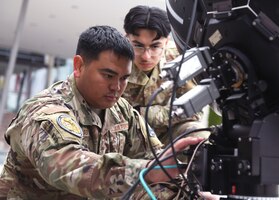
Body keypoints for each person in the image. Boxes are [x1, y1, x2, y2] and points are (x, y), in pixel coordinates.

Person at [0, 25, 204, 199]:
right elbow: (71, 168)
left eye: (124, 78)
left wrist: (193, 192)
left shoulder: (120, 110)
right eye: (108, 75)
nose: (117, 87)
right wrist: (148, 170)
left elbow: (155, 157)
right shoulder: (46, 112)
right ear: (79, 66)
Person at [122, 5, 210, 147]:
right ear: (126, 39)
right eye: (138, 46)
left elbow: (194, 109)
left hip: (168, 135)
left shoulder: (179, 59)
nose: (146, 56)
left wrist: (142, 113)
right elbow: (112, 115)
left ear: (167, 41)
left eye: (155, 46)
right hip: (128, 137)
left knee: (199, 136)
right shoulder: (115, 62)